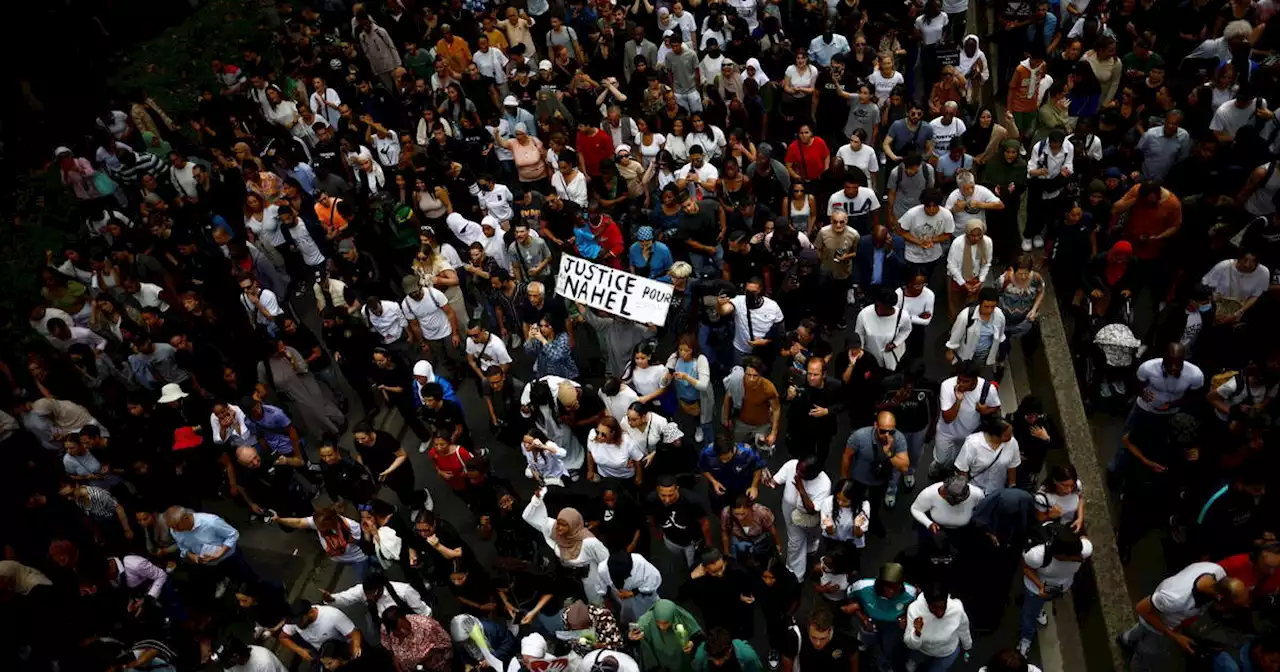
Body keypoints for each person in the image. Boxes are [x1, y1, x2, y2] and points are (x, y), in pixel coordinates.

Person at [1017, 526, 1092, 657]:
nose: (1078, 559)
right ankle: (1026, 638)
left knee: (1045, 601)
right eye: (1072, 557)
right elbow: (1026, 568)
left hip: (1061, 587)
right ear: (1058, 554)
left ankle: (1039, 609)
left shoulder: (1084, 549)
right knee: (1028, 615)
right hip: (1035, 589)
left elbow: (1084, 539)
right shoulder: (1037, 556)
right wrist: (1040, 586)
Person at [848, 562, 920, 672]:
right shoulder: (862, 586)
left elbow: (916, 607)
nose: (891, 591)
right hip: (869, 621)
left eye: (895, 587)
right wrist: (862, 617)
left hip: (893, 626)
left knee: (889, 647)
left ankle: (884, 664)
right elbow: (850, 598)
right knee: (866, 641)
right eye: (887, 587)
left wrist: (906, 617)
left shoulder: (911, 592)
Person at [768, 455, 832, 580]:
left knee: (811, 534)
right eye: (797, 469)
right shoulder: (791, 464)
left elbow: (811, 510)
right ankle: (795, 575)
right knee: (795, 542)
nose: (797, 473)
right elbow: (775, 481)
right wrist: (770, 482)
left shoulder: (824, 484)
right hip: (789, 509)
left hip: (809, 516)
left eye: (802, 473)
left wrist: (801, 488)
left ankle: (811, 546)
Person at [903, 584, 972, 671]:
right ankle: (914, 661)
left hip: (947, 652)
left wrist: (967, 646)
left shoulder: (957, 608)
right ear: (927, 603)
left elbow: (963, 628)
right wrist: (917, 633)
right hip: (923, 649)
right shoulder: (915, 610)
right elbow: (909, 644)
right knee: (912, 664)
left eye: (942, 608)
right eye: (933, 608)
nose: (939, 613)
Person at [780, 606, 859, 672]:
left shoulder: (843, 636)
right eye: (813, 637)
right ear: (808, 629)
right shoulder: (795, 636)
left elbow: (853, 652)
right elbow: (787, 660)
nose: (817, 643)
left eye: (823, 638)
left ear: (830, 630)